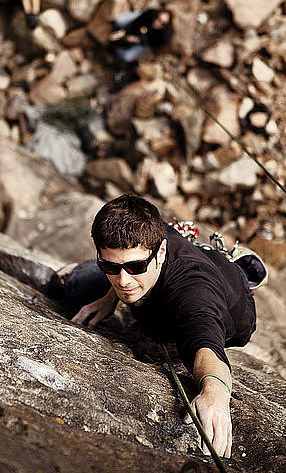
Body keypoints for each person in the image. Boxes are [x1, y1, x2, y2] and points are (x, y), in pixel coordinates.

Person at [53, 194, 265, 458]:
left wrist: (214, 392)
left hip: (226, 299)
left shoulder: (194, 292)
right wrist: (110, 299)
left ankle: (239, 270)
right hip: (176, 266)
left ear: (160, 251)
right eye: (109, 265)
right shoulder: (143, 238)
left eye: (136, 266)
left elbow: (205, 342)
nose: (123, 280)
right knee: (70, 287)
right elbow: (123, 273)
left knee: (174, 324)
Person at [108, 9, 172, 63]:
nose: (157, 22)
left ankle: (117, 50)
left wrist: (139, 40)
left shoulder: (164, 36)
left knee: (126, 57)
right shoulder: (151, 13)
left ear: (165, 26)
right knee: (119, 20)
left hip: (143, 42)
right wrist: (123, 32)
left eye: (162, 23)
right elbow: (136, 22)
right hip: (138, 25)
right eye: (158, 18)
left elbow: (152, 45)